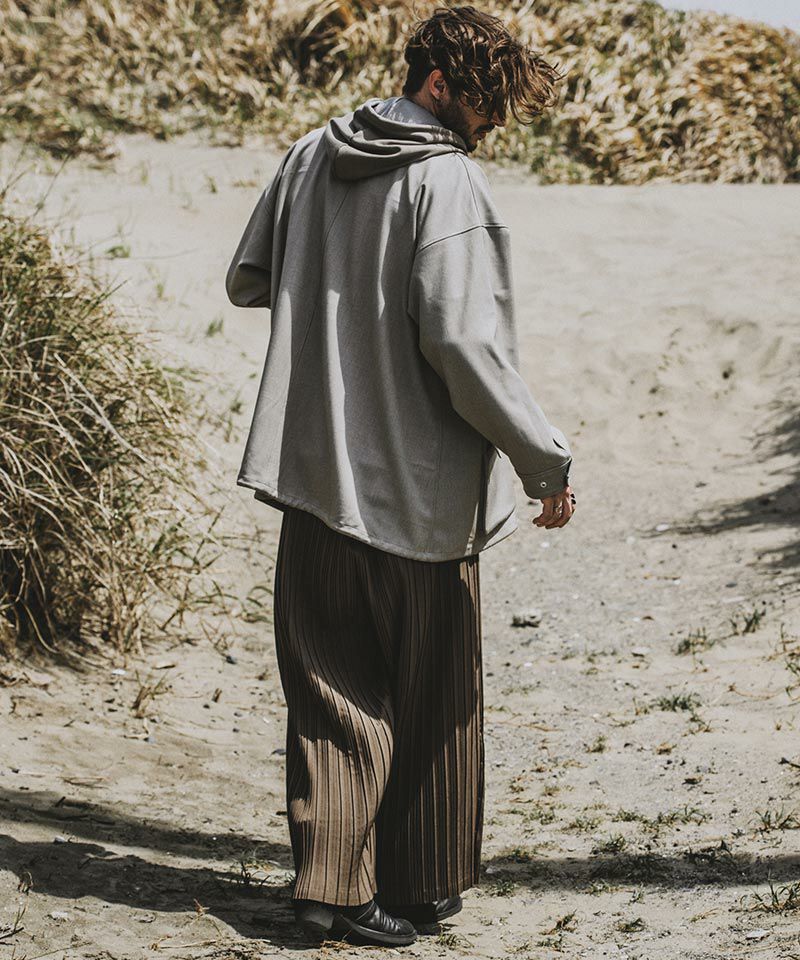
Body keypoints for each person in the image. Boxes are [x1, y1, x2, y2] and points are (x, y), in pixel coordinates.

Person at [225, 4, 575, 948]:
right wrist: (545, 460)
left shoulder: (311, 152)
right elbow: (462, 344)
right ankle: (417, 886)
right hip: (420, 496)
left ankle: (329, 890)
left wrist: (333, 278)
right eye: (485, 104)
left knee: (330, 693)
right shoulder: (447, 181)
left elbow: (249, 277)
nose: (489, 124)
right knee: (434, 697)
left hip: (311, 480)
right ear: (438, 84)